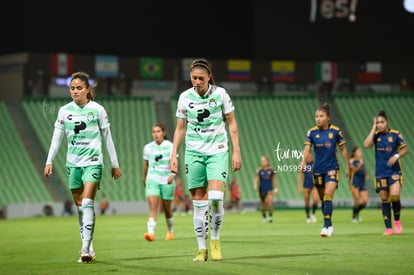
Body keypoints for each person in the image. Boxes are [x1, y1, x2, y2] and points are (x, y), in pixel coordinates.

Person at [43, 71, 122, 263]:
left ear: (88, 89)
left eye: (79, 88)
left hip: (93, 162)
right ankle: (90, 247)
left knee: (87, 203)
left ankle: (85, 249)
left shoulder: (97, 110)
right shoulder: (64, 111)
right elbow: (56, 139)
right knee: (80, 208)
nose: (75, 91)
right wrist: (49, 160)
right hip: (73, 164)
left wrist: (114, 164)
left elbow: (108, 138)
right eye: (72, 88)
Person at [169, 58, 242, 262]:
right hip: (193, 153)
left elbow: (232, 124)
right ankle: (202, 250)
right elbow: (180, 128)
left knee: (216, 198)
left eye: (201, 78)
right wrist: (173, 154)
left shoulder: (221, 95)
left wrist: (236, 151)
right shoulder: (184, 98)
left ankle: (216, 240)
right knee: (199, 203)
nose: (197, 82)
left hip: (218, 151)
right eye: (194, 78)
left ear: (209, 77)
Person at [300, 102, 350, 237]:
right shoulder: (311, 132)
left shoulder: (335, 131)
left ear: (328, 117)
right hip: (318, 170)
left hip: (332, 168)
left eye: (321, 116)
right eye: (316, 116)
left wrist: (348, 167)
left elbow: (344, 150)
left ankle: (325, 226)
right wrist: (303, 161)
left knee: (328, 195)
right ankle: (329, 224)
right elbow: (306, 148)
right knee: (323, 199)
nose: (318, 118)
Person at [364, 110, 408, 236]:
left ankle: (397, 221)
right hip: (381, 172)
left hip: (394, 171)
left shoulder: (395, 135)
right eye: (377, 123)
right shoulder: (376, 136)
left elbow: (405, 149)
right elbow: (366, 145)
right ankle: (388, 228)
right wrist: (373, 128)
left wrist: (396, 155)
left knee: (395, 196)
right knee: (384, 199)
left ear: (387, 122)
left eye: (382, 122)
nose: (380, 125)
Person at [142, 122, 176, 241]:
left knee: (167, 209)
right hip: (153, 178)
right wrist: (144, 177)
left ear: (163, 133)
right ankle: (150, 233)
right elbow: (146, 164)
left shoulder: (170, 146)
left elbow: (174, 161)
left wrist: (173, 174)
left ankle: (170, 231)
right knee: (153, 206)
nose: (156, 134)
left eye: (158, 131)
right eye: (154, 132)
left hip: (167, 179)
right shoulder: (148, 147)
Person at [254, 156, 278, 223]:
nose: (263, 162)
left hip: (269, 188)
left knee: (270, 203)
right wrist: (255, 185)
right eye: (262, 161)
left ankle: (270, 217)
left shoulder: (271, 170)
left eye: (264, 161)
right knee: (263, 205)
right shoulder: (259, 170)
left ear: (267, 161)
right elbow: (256, 179)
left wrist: (276, 188)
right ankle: (264, 218)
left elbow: (274, 179)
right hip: (262, 188)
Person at [297, 152, 319, 223]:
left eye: (310, 155)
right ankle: (308, 216)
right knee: (306, 202)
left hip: (314, 185)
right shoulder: (303, 165)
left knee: (316, 200)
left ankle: (313, 213)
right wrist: (299, 186)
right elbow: (300, 175)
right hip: (306, 185)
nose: (309, 156)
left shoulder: (315, 164)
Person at [349, 146, 369, 223]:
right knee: (357, 201)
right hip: (354, 182)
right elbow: (354, 170)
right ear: (354, 153)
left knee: (365, 201)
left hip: (362, 182)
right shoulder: (351, 161)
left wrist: (366, 174)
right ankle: (354, 216)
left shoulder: (361, 160)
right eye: (358, 151)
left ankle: (357, 212)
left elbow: (362, 169)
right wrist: (360, 164)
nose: (360, 153)